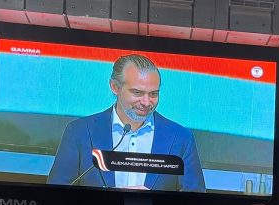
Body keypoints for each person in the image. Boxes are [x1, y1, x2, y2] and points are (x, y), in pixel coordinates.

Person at [47, 54, 206, 192]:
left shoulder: (181, 138)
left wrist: (156, 201)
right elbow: (57, 192)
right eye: (137, 93)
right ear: (115, 87)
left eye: (153, 94)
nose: (146, 102)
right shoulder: (80, 132)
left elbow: (194, 200)